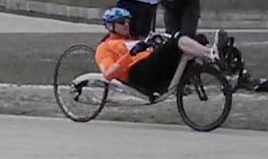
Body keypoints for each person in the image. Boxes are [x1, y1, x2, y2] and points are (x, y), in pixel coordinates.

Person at [94, 7, 224, 98]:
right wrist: (130, 55)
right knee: (176, 41)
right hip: (137, 73)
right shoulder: (105, 47)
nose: (127, 25)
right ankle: (211, 55)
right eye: (122, 22)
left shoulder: (132, 40)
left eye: (128, 21)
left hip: (152, 67)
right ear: (110, 26)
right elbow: (108, 74)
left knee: (197, 39)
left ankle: (224, 67)